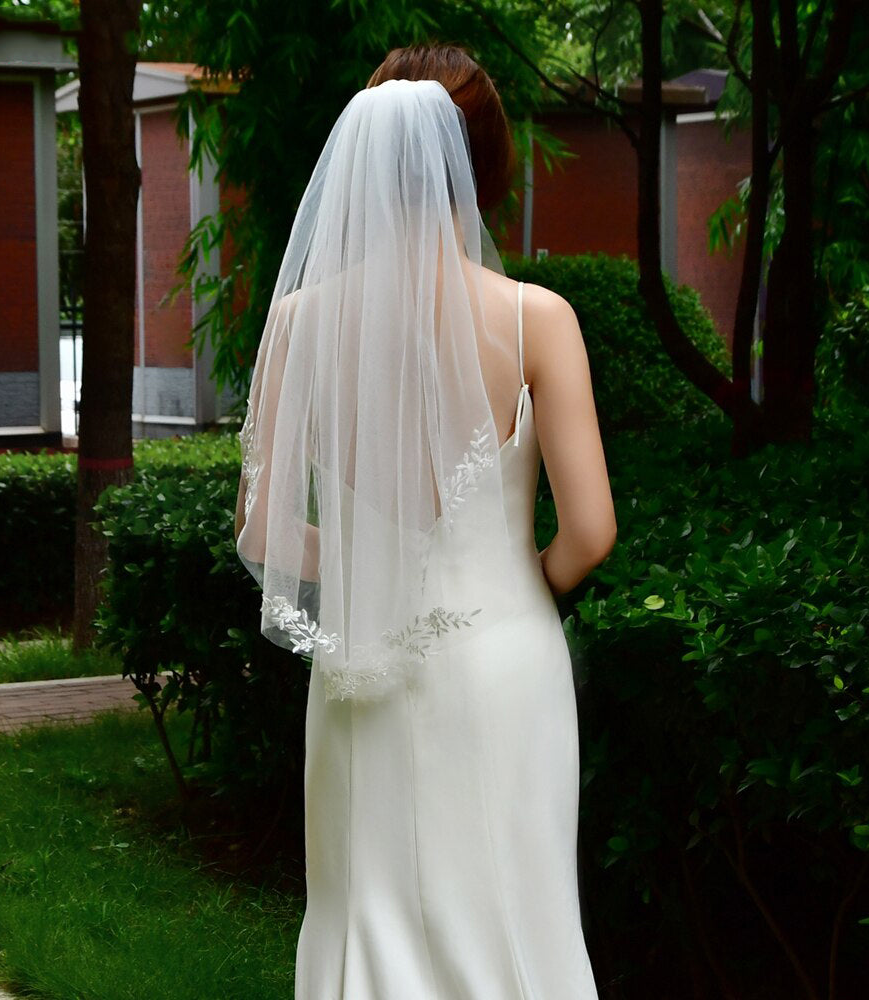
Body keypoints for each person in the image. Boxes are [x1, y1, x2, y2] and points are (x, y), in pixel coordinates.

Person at [234, 43, 615, 1000]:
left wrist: (360, 561)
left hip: (359, 668)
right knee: (514, 918)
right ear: (483, 167)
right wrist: (520, 577)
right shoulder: (538, 320)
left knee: (367, 914)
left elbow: (261, 533)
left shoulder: (300, 324)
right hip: (503, 668)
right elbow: (591, 533)